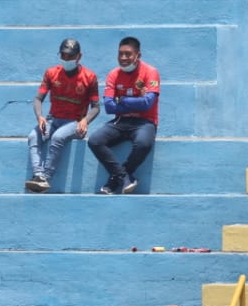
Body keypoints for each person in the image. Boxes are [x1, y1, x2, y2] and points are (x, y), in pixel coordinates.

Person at [24, 38, 100, 193]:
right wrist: (40, 116)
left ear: (79, 56)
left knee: (58, 137)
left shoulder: (89, 77)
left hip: (75, 123)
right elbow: (38, 98)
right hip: (53, 119)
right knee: (33, 136)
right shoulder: (51, 73)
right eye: (63, 56)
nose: (66, 59)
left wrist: (86, 120)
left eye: (70, 56)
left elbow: (96, 107)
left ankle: (46, 178)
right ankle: (38, 175)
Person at [86, 36, 159, 194]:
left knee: (143, 144)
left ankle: (114, 180)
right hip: (121, 121)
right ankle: (124, 178)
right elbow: (110, 107)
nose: (123, 58)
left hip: (145, 121)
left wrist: (123, 99)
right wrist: (137, 101)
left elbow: (148, 103)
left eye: (128, 54)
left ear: (138, 55)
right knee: (94, 140)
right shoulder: (113, 74)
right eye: (120, 54)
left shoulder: (150, 72)